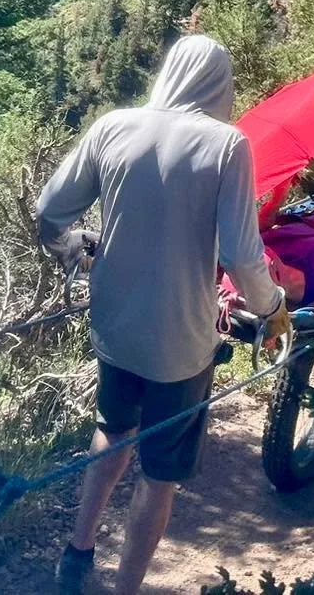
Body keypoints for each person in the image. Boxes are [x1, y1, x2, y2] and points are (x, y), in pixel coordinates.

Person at [36, 35, 289, 595]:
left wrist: (78, 246)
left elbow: (50, 213)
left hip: (115, 326)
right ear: (221, 86)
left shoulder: (112, 126)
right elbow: (244, 256)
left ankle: (77, 552)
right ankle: (127, 586)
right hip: (181, 339)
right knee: (159, 473)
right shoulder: (227, 145)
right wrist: (272, 309)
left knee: (112, 429)